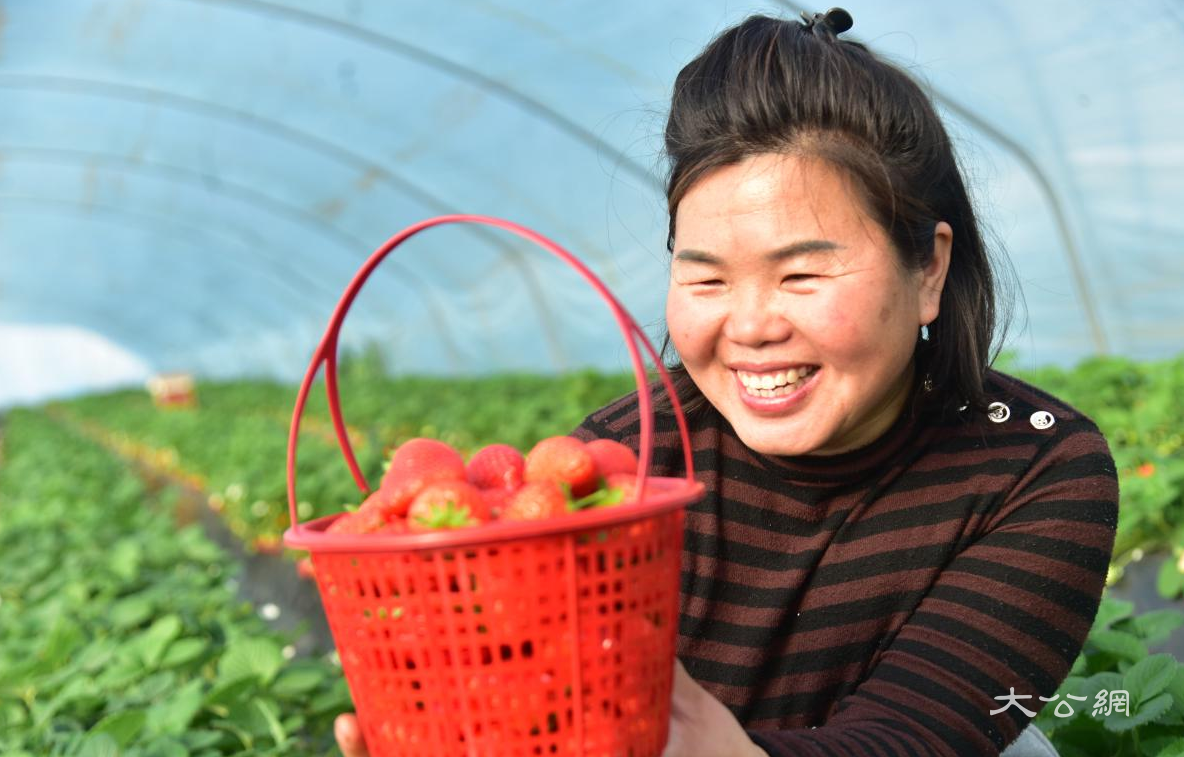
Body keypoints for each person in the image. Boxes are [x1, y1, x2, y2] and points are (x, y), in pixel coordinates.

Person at [335, 8, 1117, 756]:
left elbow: (919, 735)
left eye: (802, 273)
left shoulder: (1034, 471)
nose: (748, 326)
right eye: (706, 280)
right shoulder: (624, 471)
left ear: (929, 268)